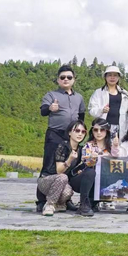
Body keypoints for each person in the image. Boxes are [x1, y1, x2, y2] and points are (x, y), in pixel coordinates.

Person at [37, 65, 86, 213]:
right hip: (55, 134)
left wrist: (78, 133)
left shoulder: (79, 97)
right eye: (62, 77)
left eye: (69, 77)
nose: (66, 79)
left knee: (69, 166)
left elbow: (81, 116)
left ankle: (65, 199)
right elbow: (43, 111)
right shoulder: (51, 95)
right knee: (49, 166)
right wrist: (50, 108)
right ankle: (41, 201)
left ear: (74, 80)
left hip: (71, 136)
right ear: (58, 80)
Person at [36, 120, 86, 216]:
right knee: (63, 177)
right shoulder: (62, 146)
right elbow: (59, 171)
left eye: (83, 132)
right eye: (77, 130)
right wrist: (69, 159)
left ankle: (59, 204)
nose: (80, 134)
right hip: (46, 179)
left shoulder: (80, 149)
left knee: (68, 192)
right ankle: (50, 205)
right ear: (70, 132)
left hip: (61, 183)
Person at [76, 118, 117, 216]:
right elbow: (86, 163)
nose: (99, 133)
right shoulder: (88, 146)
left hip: (106, 178)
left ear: (107, 131)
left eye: (102, 130)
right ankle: (84, 203)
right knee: (90, 173)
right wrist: (92, 159)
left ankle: (94, 202)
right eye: (95, 130)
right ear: (92, 131)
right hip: (90, 178)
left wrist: (115, 147)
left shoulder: (111, 146)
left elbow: (117, 159)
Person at [89, 66, 128, 141]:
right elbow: (91, 110)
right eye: (109, 75)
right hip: (103, 127)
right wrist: (101, 110)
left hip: (121, 128)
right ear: (105, 77)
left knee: (118, 147)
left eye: (115, 75)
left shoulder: (125, 94)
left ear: (118, 77)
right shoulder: (98, 93)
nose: (112, 77)